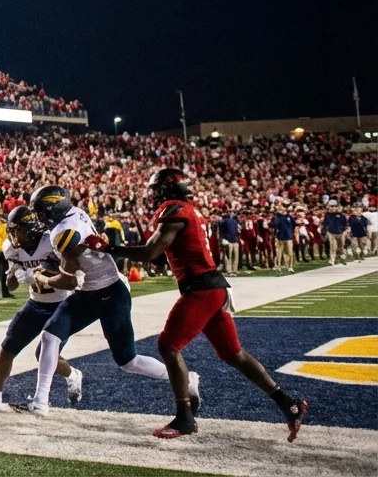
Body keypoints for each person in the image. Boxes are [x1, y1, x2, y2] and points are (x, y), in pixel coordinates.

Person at [105, 169, 308, 440]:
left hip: (201, 288)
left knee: (168, 346)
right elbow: (172, 253)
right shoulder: (190, 209)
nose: (154, 196)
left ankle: (184, 418)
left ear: (166, 190)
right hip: (214, 287)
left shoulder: (173, 208)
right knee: (234, 355)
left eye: (156, 190)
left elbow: (151, 253)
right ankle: (288, 404)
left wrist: (110, 248)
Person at [27, 184, 194, 417]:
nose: (40, 218)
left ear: (54, 210)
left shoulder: (65, 233)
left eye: (42, 212)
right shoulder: (75, 213)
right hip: (89, 291)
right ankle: (40, 402)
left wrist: (42, 279)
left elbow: (68, 282)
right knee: (50, 336)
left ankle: (186, 379)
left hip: (110, 292)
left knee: (128, 361)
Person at [0, 207, 82, 413]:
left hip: (61, 304)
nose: (12, 235)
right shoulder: (12, 248)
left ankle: (73, 375)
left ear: (30, 228)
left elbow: (70, 275)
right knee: (7, 348)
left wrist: (38, 273)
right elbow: (11, 285)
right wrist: (14, 274)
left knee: (44, 354)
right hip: (36, 303)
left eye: (17, 230)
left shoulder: (52, 241)